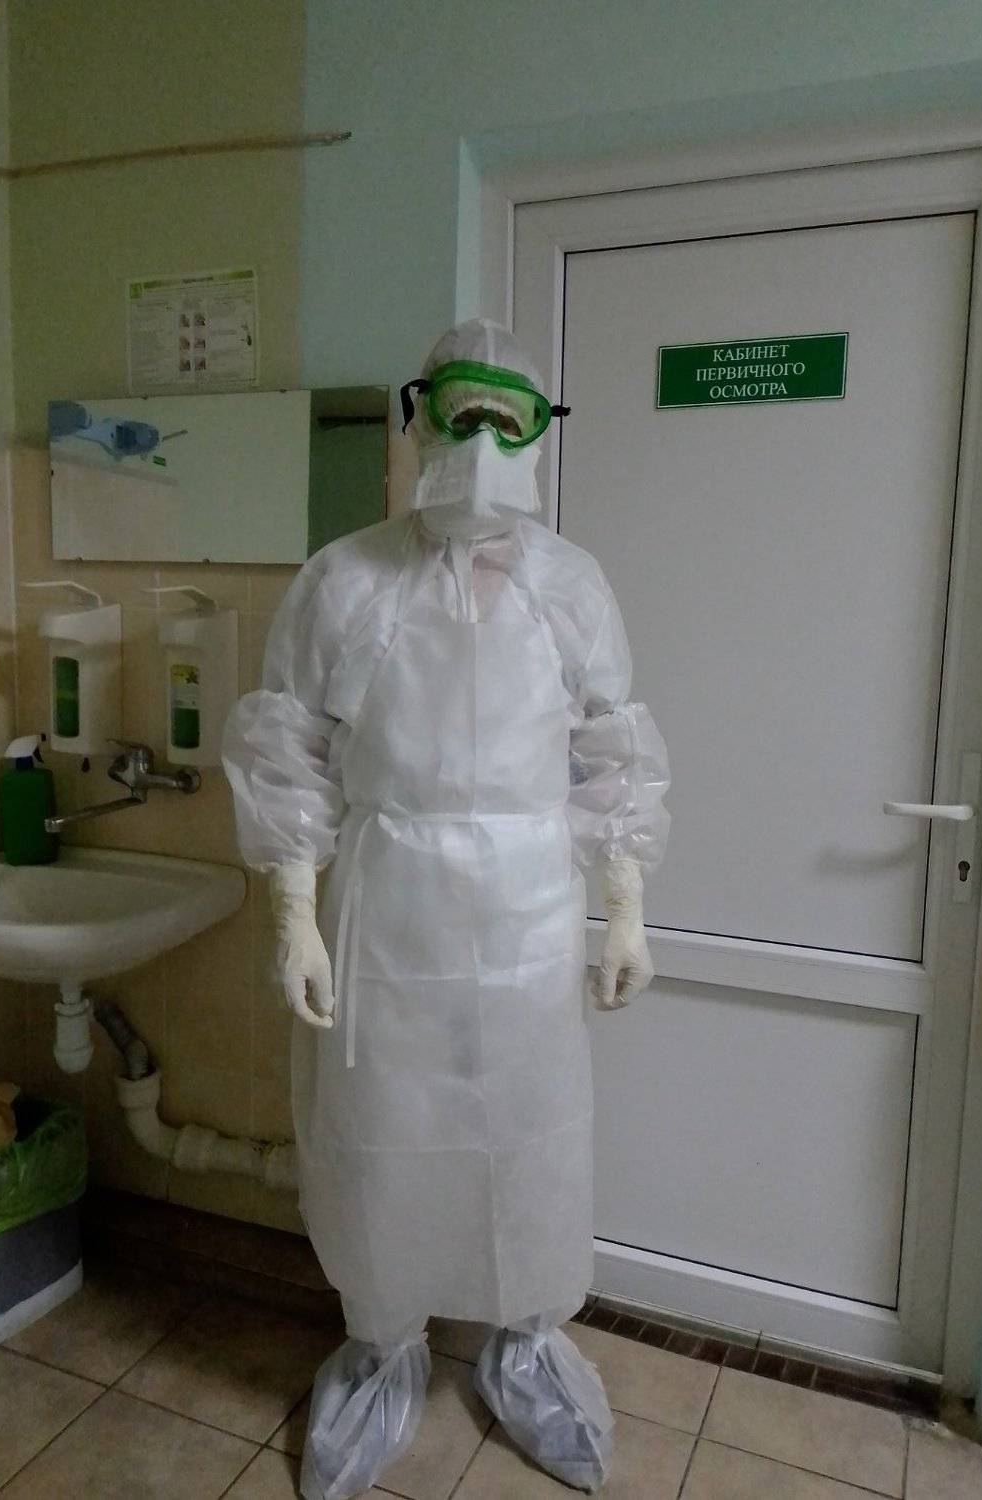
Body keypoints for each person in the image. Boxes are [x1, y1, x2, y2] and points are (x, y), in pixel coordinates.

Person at [223, 318, 670, 1497]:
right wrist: (294, 911)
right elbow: (285, 754)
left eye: (506, 418)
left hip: (529, 903)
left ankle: (526, 1343)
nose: (479, 441)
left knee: (528, 1135)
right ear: (417, 416)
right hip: (389, 902)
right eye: (458, 411)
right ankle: (381, 1349)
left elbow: (611, 752)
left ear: (541, 433)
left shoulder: (570, 588)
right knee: (378, 1136)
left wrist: (623, 899)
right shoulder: (343, 580)